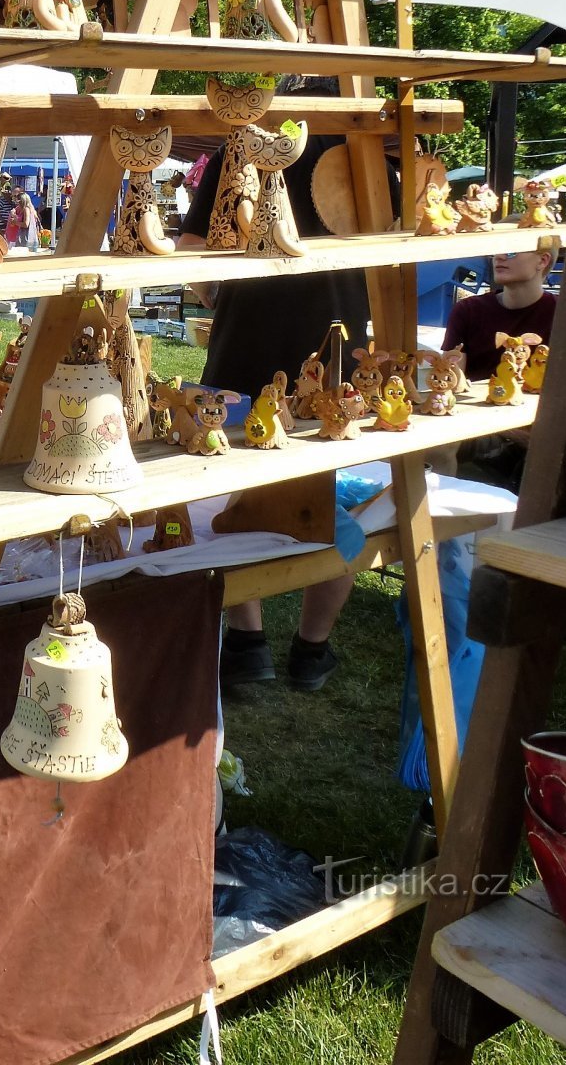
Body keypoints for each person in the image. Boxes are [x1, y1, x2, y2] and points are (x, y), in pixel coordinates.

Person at [178, 77, 396, 692]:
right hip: (336, 353)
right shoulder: (363, 155)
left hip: (248, 345)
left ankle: (249, 644)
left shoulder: (241, 150)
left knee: (229, 499)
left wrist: (218, 291)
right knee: (336, 502)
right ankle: (311, 647)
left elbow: (194, 248)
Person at [442, 240, 558, 379]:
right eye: (496, 249)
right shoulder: (467, 311)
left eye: (511, 251)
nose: (499, 257)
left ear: (542, 260)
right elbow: (449, 382)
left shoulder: (565, 313)